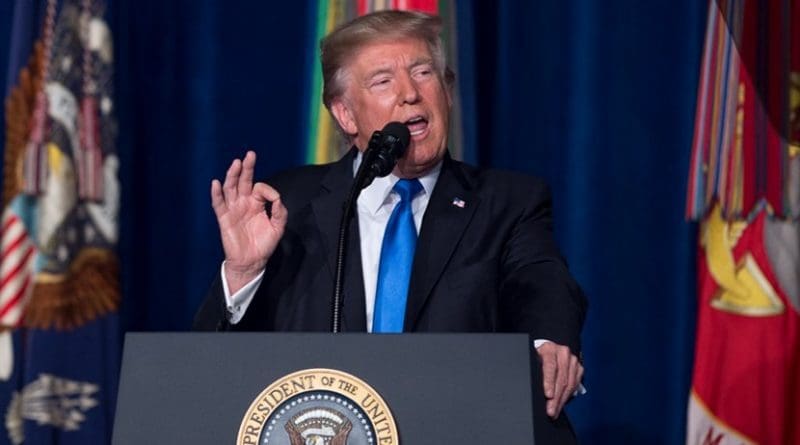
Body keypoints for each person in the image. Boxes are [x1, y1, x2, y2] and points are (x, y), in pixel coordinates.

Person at [194, 9, 587, 441]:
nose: (410, 95)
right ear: (345, 115)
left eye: (423, 73)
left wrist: (547, 342)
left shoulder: (507, 201)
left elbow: (541, 280)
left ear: (447, 92)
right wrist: (244, 274)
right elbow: (214, 367)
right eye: (382, 81)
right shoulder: (290, 206)